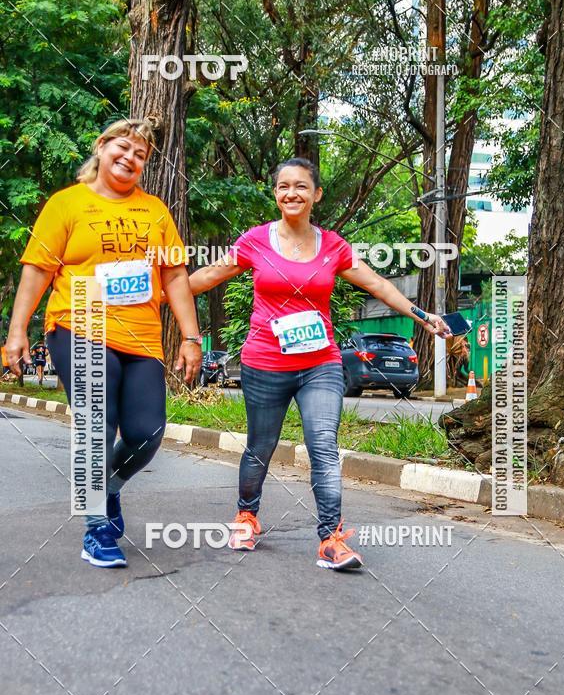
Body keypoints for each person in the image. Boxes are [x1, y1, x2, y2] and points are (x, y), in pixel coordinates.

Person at [187, 157, 450, 571]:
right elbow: (206, 278)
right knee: (260, 446)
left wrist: (423, 316)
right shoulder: (255, 240)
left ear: (316, 194)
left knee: (323, 444)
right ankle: (247, 515)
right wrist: (156, 294)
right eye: (283, 186)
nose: (291, 193)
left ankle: (331, 538)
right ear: (275, 193)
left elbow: (378, 284)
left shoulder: (333, 246)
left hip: (320, 364)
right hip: (265, 362)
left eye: (301, 186)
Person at [6, 118, 202, 568]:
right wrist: (18, 330)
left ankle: (108, 488)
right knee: (98, 423)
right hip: (80, 320)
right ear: (102, 146)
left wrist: (191, 337)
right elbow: (37, 269)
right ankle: (96, 527)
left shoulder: (154, 210)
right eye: (123, 147)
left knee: (146, 433)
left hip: (142, 334)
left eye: (141, 155)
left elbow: (174, 275)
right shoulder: (67, 203)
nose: (130, 158)